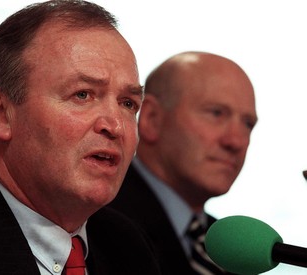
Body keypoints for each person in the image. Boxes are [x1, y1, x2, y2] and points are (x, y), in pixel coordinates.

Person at [0, 1, 161, 274]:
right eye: (82, 94)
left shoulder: (127, 246)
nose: (116, 126)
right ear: (0, 113)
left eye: (128, 104)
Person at [109, 51, 258, 274]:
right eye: (216, 113)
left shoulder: (229, 248)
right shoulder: (96, 219)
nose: (236, 141)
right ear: (151, 119)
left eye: (248, 124)